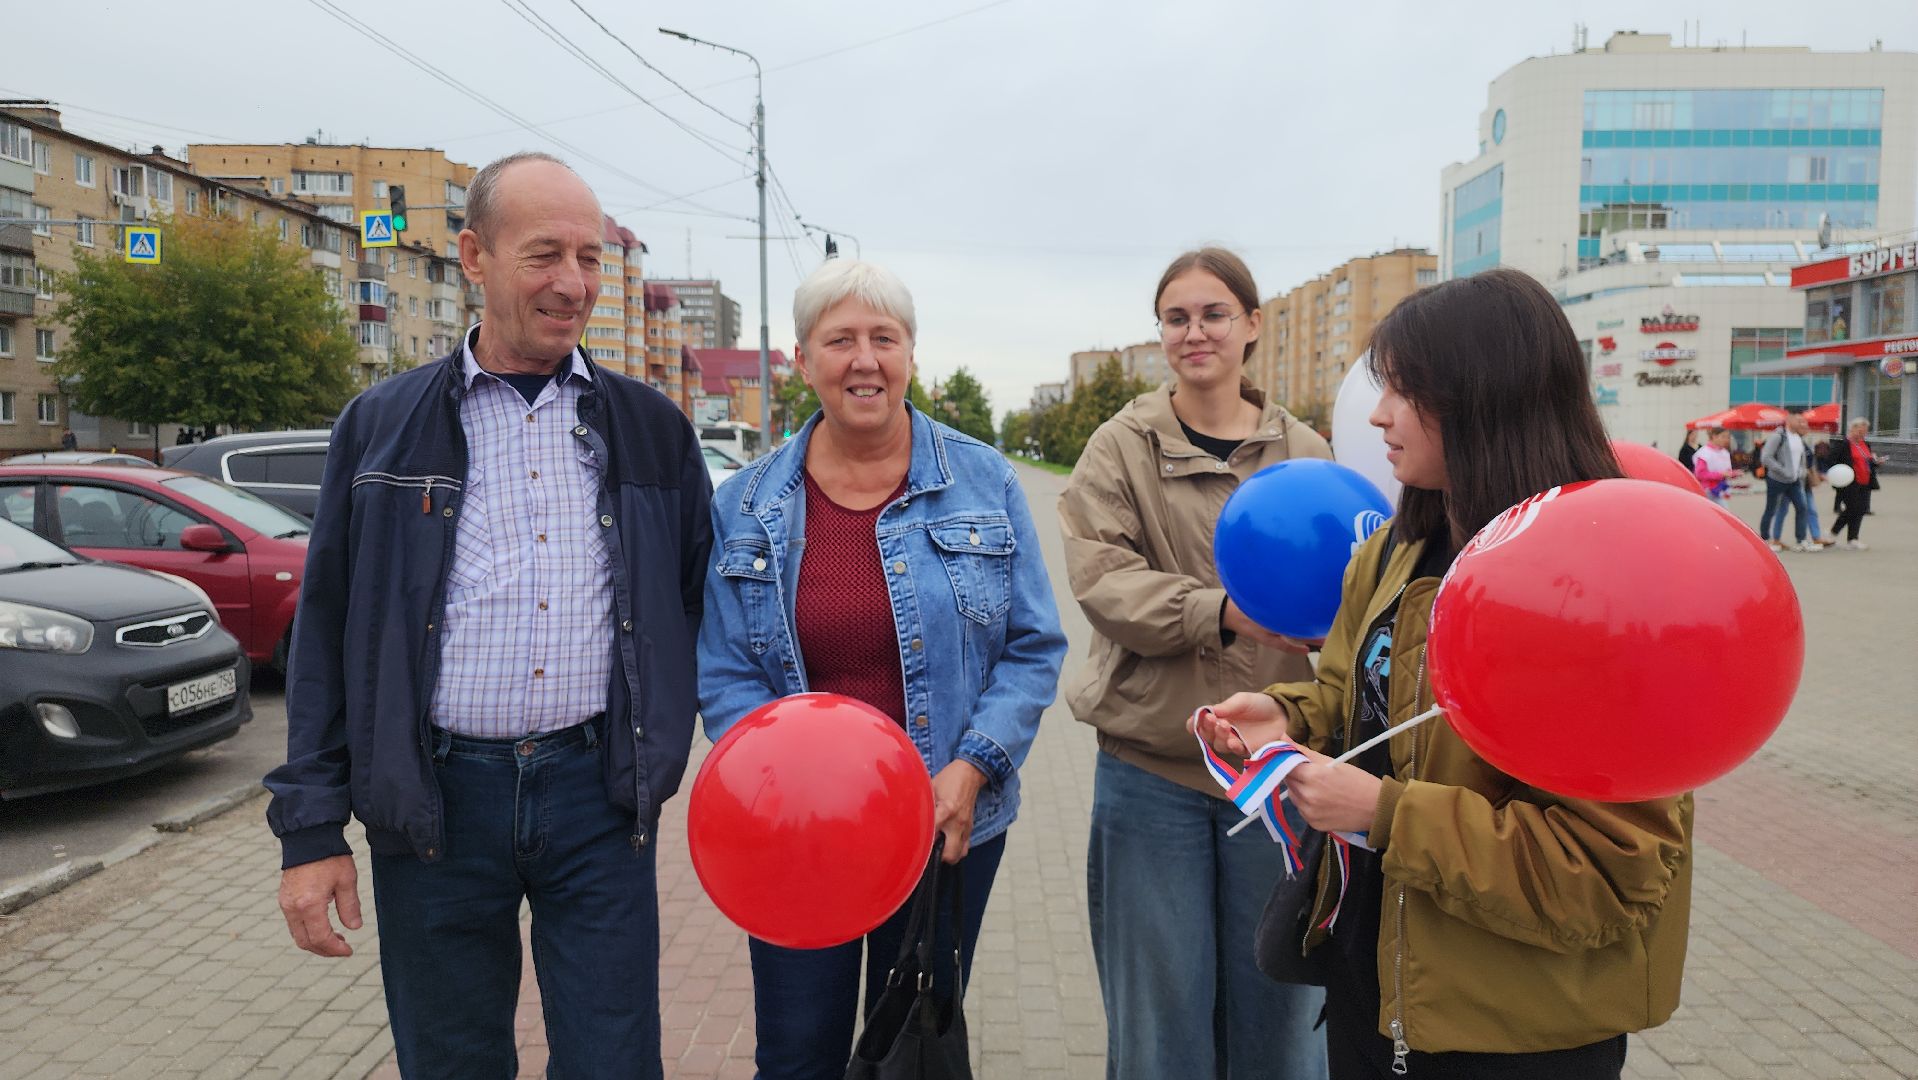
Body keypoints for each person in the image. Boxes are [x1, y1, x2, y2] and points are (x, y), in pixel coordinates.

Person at [264, 151, 712, 1080]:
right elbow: (329, 635)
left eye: (591, 259)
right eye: (544, 254)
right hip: (434, 805)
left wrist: (668, 744)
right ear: (473, 255)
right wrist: (311, 832)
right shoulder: (381, 425)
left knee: (614, 1060)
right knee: (453, 1061)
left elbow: (697, 603)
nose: (573, 283)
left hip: (599, 795)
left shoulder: (651, 429)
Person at [1195, 268, 1692, 1080]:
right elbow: (1359, 700)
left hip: (1514, 1032)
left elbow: (1604, 872)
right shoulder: (1395, 551)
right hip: (1377, 987)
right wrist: (1288, 719)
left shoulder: (1601, 589)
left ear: (1485, 397)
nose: (1378, 415)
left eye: (1404, 390)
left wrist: (1386, 812)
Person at [696, 259, 1066, 1080]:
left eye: (883, 339)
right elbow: (724, 672)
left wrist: (971, 772)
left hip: (942, 823)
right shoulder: (746, 505)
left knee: (909, 1052)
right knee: (797, 1055)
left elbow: (1034, 647)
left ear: (909, 354)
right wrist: (778, 782)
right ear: (802, 360)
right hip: (797, 837)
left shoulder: (983, 481)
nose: (865, 359)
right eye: (840, 341)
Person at [1059, 247, 1333, 1080]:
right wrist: (1220, 611)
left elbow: (1345, 577)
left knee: (1281, 1021)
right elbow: (1103, 582)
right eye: (1176, 318)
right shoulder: (1121, 447)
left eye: (1215, 314)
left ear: (1252, 326)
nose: (1195, 332)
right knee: (1159, 1028)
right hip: (1155, 774)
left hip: (1274, 775)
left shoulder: (1307, 451)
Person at [1758, 413, 1819, 552]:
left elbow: (1801, 459)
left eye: (1802, 421)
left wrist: (1801, 473)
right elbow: (1766, 457)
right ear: (1789, 420)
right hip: (1777, 479)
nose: (1801, 423)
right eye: (1798, 420)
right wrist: (1783, 470)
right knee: (1771, 509)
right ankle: (1765, 539)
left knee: (1802, 507)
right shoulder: (1778, 436)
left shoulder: (1798, 438)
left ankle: (1801, 540)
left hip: (1795, 481)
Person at [1827, 417, 1885, 549]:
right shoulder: (1844, 444)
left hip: (1865, 481)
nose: (1862, 434)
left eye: (1864, 432)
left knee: (1861, 509)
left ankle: (1853, 538)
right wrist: (1837, 473)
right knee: (1852, 508)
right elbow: (1831, 459)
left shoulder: (1865, 444)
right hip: (1849, 482)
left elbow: (1868, 462)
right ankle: (1834, 533)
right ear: (1852, 429)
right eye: (1859, 431)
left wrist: (1876, 463)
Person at [1691, 427, 1738, 504]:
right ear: (1714, 436)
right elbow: (1700, 474)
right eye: (1723, 436)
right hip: (1708, 491)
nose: (1726, 440)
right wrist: (1720, 474)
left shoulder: (1724, 452)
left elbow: (1726, 471)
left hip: (1720, 489)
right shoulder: (1704, 453)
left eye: (1728, 437)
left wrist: (1733, 474)